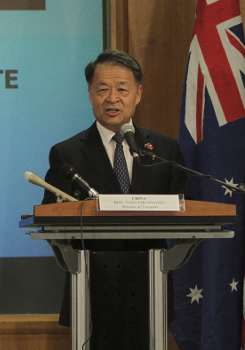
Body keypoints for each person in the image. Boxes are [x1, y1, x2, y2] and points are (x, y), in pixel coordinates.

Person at [41, 49, 189, 348]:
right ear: (90, 94)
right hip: (91, 284)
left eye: (122, 89)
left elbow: (187, 209)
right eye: (102, 89)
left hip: (151, 281)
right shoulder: (67, 153)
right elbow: (50, 219)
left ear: (138, 93)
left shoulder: (164, 149)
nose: (112, 98)